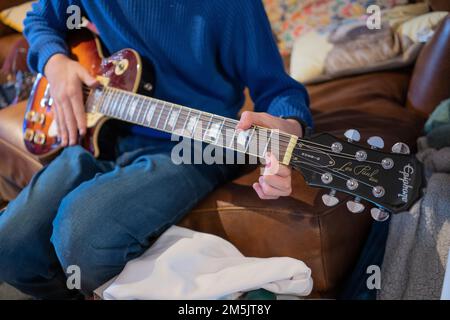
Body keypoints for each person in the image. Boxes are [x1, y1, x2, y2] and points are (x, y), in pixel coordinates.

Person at [0, 0, 312, 299]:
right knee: (9, 247)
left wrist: (286, 132)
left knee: (82, 239)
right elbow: (39, 19)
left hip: (193, 148)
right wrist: (55, 63)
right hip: (99, 136)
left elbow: (279, 91)